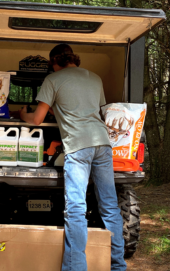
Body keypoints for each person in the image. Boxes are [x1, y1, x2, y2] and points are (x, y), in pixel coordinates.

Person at [20, 44, 125, 271]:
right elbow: (89, 109)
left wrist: (21, 114)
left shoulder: (53, 79)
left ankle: (76, 267)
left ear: (54, 62)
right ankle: (117, 265)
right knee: (109, 205)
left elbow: (36, 119)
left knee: (76, 207)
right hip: (102, 143)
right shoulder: (95, 78)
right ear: (73, 59)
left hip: (78, 146)